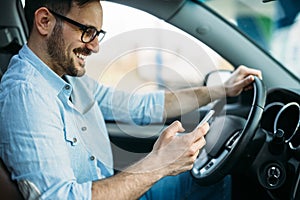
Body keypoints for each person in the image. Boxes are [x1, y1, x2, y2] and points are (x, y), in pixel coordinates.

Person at [0, 0, 262, 199]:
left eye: (97, 34)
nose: (95, 46)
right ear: (44, 21)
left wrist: (221, 90)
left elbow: (140, 107)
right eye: (87, 31)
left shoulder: (69, 78)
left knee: (215, 179)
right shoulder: (26, 94)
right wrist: (159, 163)